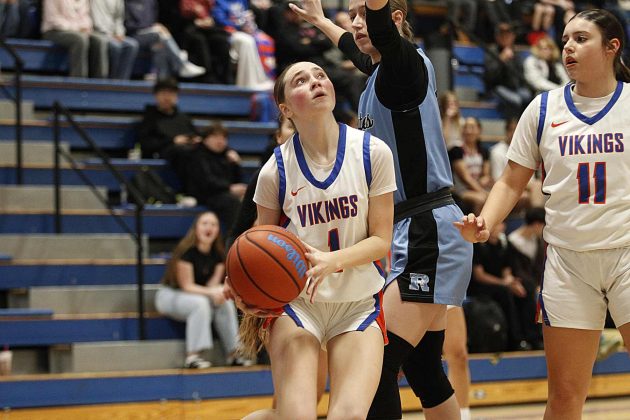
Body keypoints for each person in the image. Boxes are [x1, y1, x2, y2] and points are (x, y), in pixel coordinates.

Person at [291, 0, 473, 418]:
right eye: (351, 14)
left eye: (364, 13)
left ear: (394, 18)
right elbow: (355, 49)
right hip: (414, 228)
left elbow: (380, 33)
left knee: (375, 364)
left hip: (427, 228)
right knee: (424, 370)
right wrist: (321, 21)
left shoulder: (403, 67)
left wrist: (370, 14)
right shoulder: (380, 73)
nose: (356, 23)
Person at [455, 9, 630, 419]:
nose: (568, 47)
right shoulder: (543, 108)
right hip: (568, 262)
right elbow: (510, 181)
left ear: (612, 47)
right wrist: (486, 221)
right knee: (565, 396)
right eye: (565, 39)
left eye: (581, 39)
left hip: (626, 252)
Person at [225, 61, 397, 419]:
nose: (316, 82)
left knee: (349, 416)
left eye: (320, 75)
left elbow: (382, 240)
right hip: (299, 304)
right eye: (300, 81)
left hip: (358, 303)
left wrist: (332, 261)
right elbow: (260, 248)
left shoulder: (373, 152)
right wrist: (249, 294)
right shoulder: (274, 172)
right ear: (286, 109)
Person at [155, 211, 249, 368]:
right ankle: (193, 356)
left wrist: (218, 292)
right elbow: (187, 286)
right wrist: (214, 291)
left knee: (224, 301)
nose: (209, 227)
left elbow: (212, 286)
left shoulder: (219, 254)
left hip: (199, 296)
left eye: (213, 224)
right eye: (204, 223)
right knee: (200, 303)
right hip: (170, 295)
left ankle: (234, 354)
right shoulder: (186, 251)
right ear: (196, 228)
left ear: (218, 230)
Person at [183, 122, 247, 232]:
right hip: (205, 195)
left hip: (224, 193)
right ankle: (235, 236)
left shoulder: (227, 155)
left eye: (223, 138)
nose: (220, 141)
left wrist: (236, 164)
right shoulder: (197, 154)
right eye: (215, 137)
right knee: (230, 202)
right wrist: (229, 188)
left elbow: (238, 180)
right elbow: (205, 181)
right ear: (205, 139)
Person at [137, 78, 201, 181]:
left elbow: (195, 135)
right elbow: (146, 143)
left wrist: (195, 139)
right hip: (163, 155)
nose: (167, 98)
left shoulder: (183, 118)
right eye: (163, 93)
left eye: (171, 93)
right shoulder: (149, 118)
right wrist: (172, 141)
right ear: (156, 95)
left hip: (187, 153)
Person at [125, 0, 206, 79]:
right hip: (133, 36)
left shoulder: (150, 2)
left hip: (150, 35)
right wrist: (150, 28)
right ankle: (180, 64)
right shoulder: (127, 3)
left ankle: (162, 80)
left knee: (160, 46)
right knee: (158, 34)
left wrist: (154, 27)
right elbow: (128, 25)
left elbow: (153, 20)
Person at [41, 0, 109, 78]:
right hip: (54, 31)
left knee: (99, 41)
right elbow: (53, 19)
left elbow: (86, 17)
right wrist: (77, 28)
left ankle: (99, 81)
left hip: (78, 31)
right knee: (80, 40)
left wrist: (84, 27)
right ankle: (78, 80)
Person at [179, 0, 234, 84]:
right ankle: (207, 75)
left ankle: (227, 78)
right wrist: (195, 22)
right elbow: (180, 16)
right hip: (189, 27)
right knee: (200, 40)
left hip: (208, 28)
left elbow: (214, 13)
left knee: (222, 40)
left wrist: (211, 20)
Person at [448, 117, 492, 214]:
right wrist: (482, 191)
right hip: (461, 189)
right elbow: (465, 178)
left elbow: (486, 174)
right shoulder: (456, 150)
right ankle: (476, 224)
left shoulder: (484, 150)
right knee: (481, 199)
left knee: (495, 197)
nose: (468, 131)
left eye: (472, 127)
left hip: (478, 186)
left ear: (479, 130)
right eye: (465, 127)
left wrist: (485, 178)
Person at [91, 0, 140, 80]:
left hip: (114, 34)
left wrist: (119, 33)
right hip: (100, 33)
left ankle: (122, 80)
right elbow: (96, 21)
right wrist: (110, 35)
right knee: (116, 46)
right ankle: (111, 80)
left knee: (132, 45)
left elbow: (119, 19)